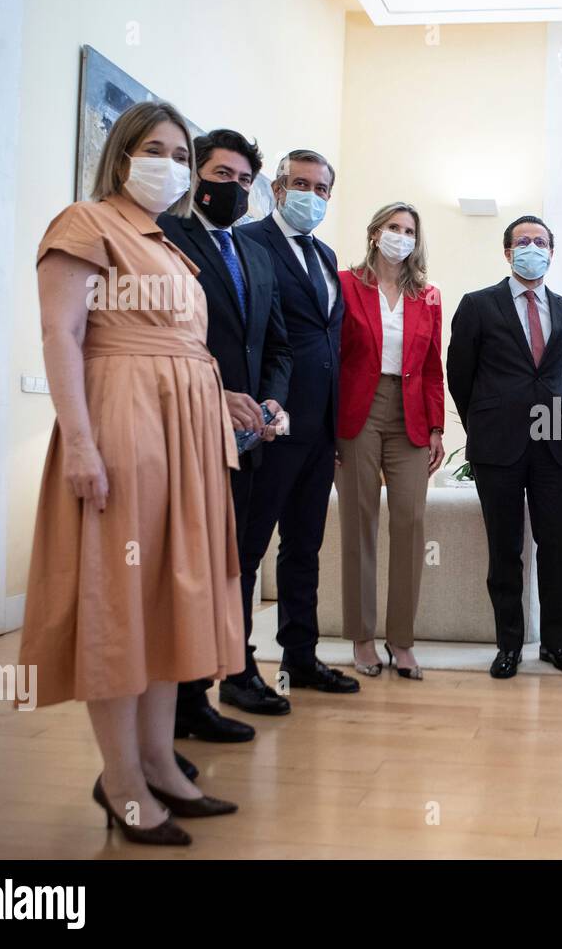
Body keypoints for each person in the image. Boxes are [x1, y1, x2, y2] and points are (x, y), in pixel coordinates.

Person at [18, 101, 240, 846]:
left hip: (185, 432)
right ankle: (119, 781)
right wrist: (79, 442)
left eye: (182, 153)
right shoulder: (85, 222)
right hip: (124, 425)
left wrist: (222, 396)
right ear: (121, 155)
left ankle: (158, 763)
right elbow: (61, 332)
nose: (173, 165)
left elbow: (180, 344)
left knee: (168, 595)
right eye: (157, 148)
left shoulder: (169, 245)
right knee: (121, 599)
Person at [158, 128, 291, 743]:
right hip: (185, 431)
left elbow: (275, 345)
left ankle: (230, 676)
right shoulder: (166, 240)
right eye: (221, 174)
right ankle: (184, 704)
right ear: (196, 176)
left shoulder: (256, 255)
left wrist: (270, 399)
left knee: (235, 565)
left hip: (249, 440)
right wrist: (216, 399)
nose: (232, 188)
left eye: (243, 180)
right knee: (191, 571)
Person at [233, 150, 360, 702]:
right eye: (300, 183)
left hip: (320, 426)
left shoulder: (326, 253)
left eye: (322, 187)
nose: (311, 194)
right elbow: (255, 333)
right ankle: (236, 668)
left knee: (304, 545)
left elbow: (329, 337)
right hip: (272, 420)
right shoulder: (248, 242)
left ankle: (300, 658)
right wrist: (266, 406)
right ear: (279, 187)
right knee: (249, 546)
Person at [447, 216, 562, 679]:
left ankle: (556, 644)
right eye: (522, 242)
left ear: (551, 252)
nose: (532, 247)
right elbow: (459, 377)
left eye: (540, 242)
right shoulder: (477, 305)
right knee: (505, 549)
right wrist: (484, 423)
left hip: (553, 443)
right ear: (507, 253)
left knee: (556, 546)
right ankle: (509, 645)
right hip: (496, 446)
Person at [336, 202, 444, 681]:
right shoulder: (344, 284)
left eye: (408, 230)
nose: (401, 236)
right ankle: (361, 638)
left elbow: (434, 368)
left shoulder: (429, 296)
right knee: (358, 521)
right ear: (375, 231)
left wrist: (438, 428)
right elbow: (332, 355)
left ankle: (401, 641)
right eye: (393, 228)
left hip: (412, 415)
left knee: (411, 522)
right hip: (358, 411)